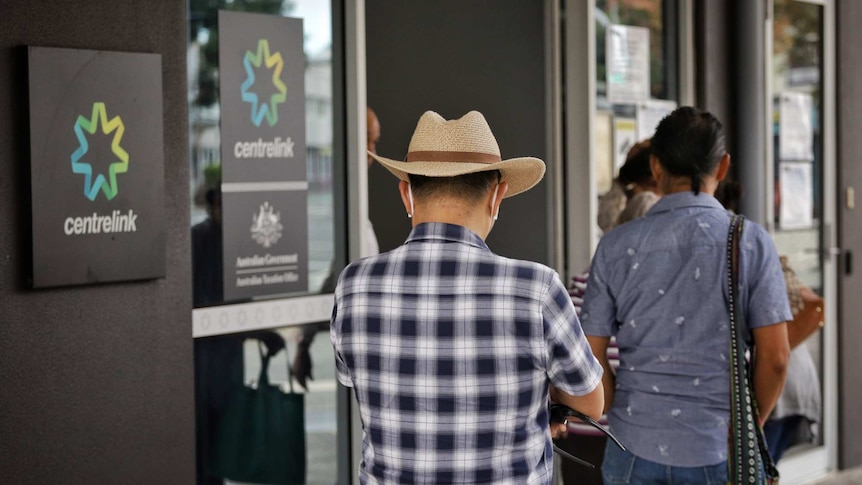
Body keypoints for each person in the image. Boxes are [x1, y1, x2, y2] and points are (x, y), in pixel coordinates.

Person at [331, 110, 604, 484]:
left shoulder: (354, 286)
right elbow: (591, 401)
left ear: (406, 193)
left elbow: (353, 376)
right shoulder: (536, 289)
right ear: (497, 196)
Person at [581, 106, 791, 484]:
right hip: (719, 447)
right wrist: (749, 423)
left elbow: (591, 351)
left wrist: (614, 405)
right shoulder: (750, 241)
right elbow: (776, 357)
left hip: (632, 443)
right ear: (723, 166)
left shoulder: (615, 246)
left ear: (656, 168)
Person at [561, 139, 659, 485]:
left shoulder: (580, 288)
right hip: (632, 434)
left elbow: (565, 362)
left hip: (584, 434)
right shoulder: (657, 294)